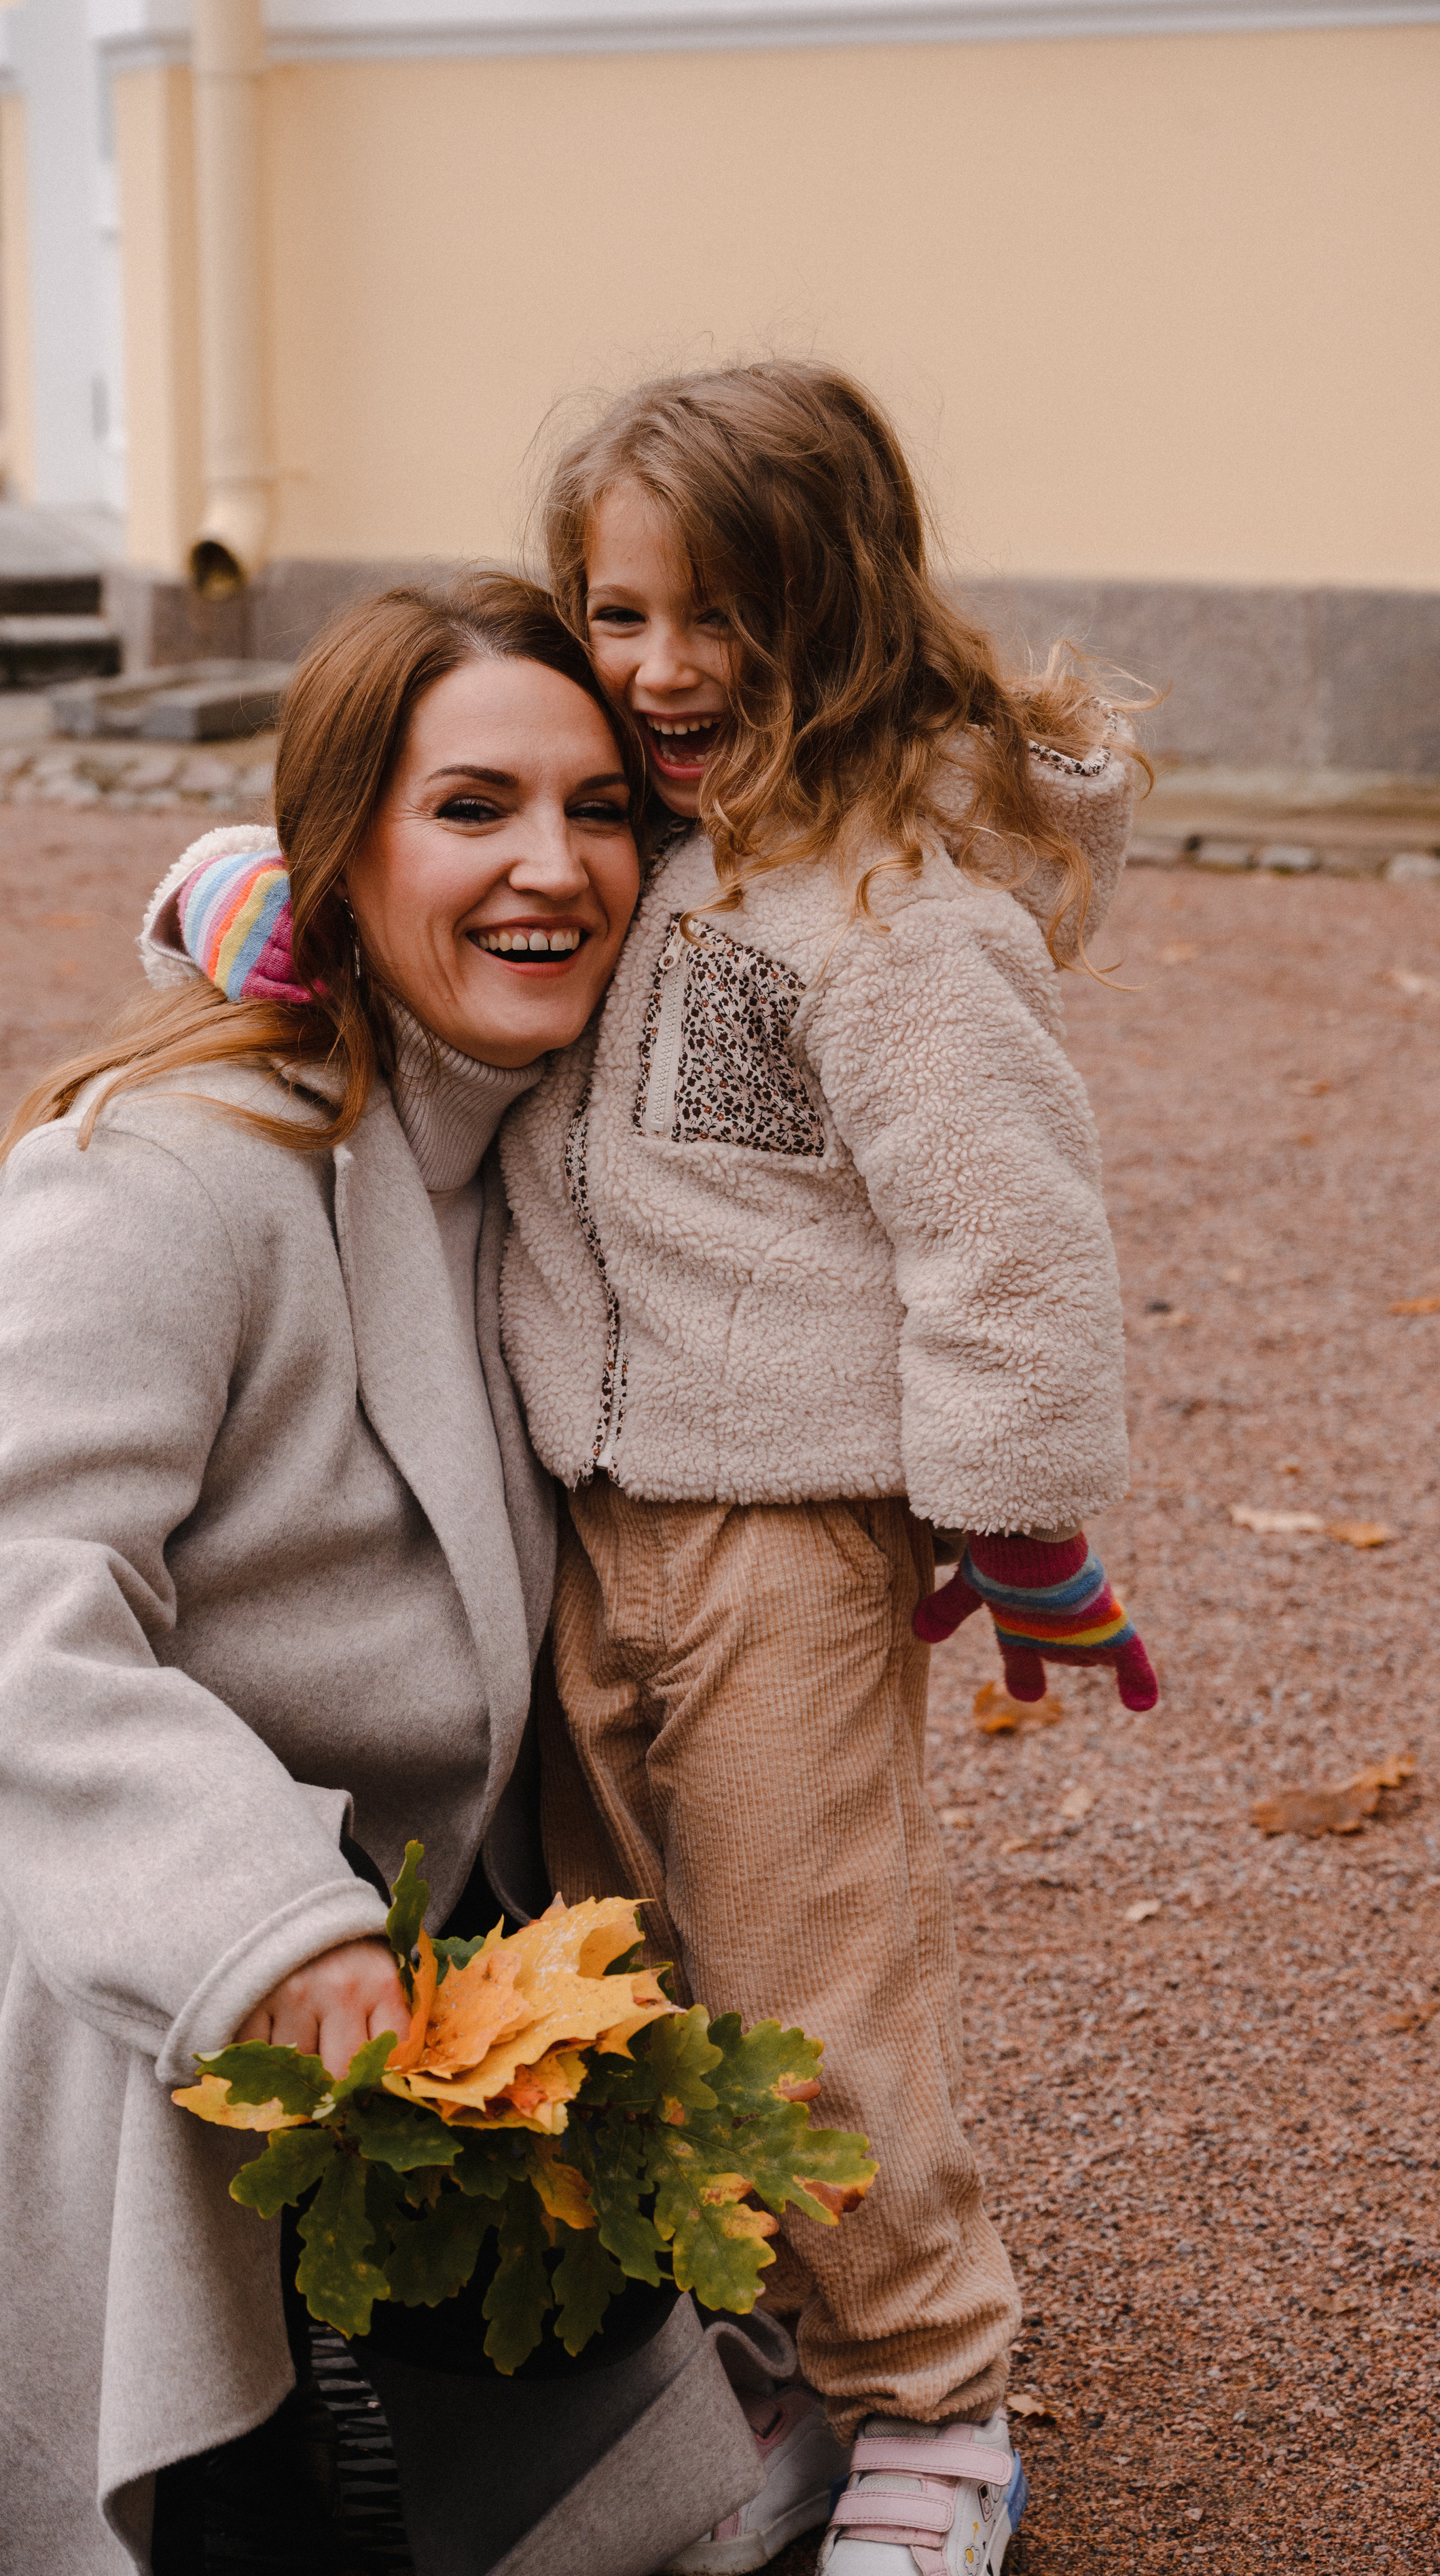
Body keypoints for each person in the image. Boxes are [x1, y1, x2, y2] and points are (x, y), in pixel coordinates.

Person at [0, 577, 773, 2576]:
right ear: (344, 847)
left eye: (600, 812)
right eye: (471, 807)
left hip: (347, 1863)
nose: (551, 866)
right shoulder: (174, 1164)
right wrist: (262, 1925)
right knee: (145, 2005)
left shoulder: (573, 1166)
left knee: (605, 2165)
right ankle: (195, 2510)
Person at [497, 363, 1160, 2576]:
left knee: (809, 1988)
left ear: (842, 610)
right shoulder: (619, 850)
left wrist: (1019, 1518)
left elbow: (1010, 1236)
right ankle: (786, 2368)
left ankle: (942, 2415)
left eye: (723, 617)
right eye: (619, 612)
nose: (665, 669)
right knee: (643, 1975)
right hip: (588, 1517)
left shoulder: (897, 919)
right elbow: (388, 895)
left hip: (784, 1537)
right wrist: (224, 903)